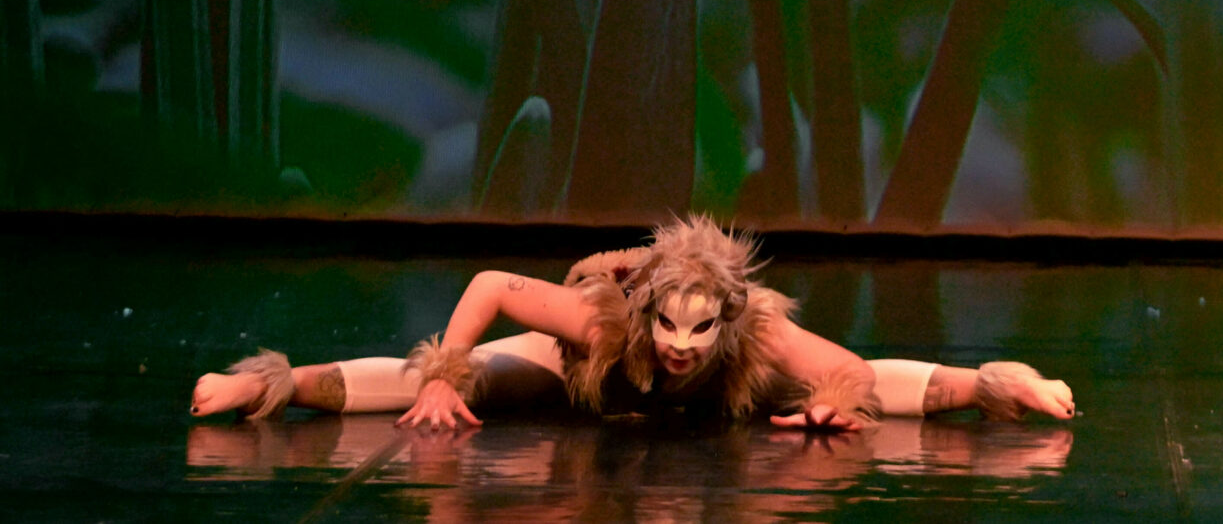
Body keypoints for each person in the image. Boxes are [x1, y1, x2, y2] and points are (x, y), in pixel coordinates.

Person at [186, 214, 1076, 431]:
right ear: (644, 313)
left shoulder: (753, 332)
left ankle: (1009, 382)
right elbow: (492, 283)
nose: (681, 346)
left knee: (875, 382)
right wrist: (448, 377)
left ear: (724, 320)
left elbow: (861, 369)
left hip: (712, 387)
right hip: (582, 375)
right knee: (460, 378)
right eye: (669, 327)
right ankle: (271, 382)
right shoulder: (601, 320)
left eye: (700, 330)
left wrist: (833, 400)